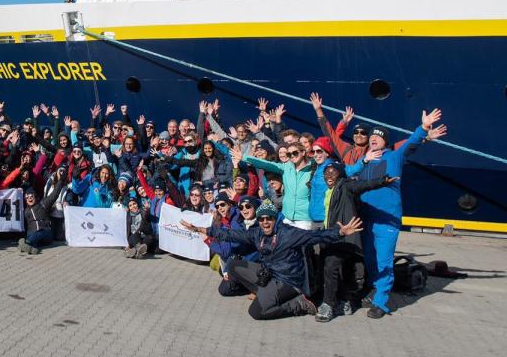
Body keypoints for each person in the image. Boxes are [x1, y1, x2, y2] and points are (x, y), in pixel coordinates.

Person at [181, 202, 364, 320]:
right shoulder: (257, 232)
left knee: (256, 312)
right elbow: (232, 234)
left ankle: (298, 304)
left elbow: (315, 236)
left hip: (288, 281)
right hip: (269, 274)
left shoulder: (288, 234)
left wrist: (340, 232)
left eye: (269, 218)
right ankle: (262, 292)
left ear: (275, 220)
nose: (265, 222)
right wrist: (201, 229)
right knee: (234, 265)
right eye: (262, 219)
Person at [345, 109, 441, 318]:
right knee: (369, 258)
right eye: (371, 137)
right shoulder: (365, 161)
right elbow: (347, 174)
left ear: (385, 142)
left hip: (386, 219)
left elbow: (412, 144)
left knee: (384, 260)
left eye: (377, 137)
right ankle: (372, 289)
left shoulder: (395, 157)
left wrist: (424, 127)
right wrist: (363, 161)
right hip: (366, 218)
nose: (372, 140)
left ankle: (381, 302)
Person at [315, 162, 397, 322]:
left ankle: (328, 305)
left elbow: (362, 185)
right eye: (326, 173)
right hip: (334, 236)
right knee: (345, 270)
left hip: (345, 237)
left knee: (331, 267)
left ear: (340, 175)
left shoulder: (345, 186)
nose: (329, 176)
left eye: (333, 172)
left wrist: (381, 181)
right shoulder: (329, 191)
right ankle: (345, 303)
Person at [18, 176, 66, 255]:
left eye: (31, 196)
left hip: (45, 233)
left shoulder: (43, 204)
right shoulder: (25, 210)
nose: (30, 199)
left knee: (39, 232)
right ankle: (32, 247)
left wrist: (61, 181)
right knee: (33, 234)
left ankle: (27, 243)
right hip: (32, 233)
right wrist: (19, 191)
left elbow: (54, 194)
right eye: (27, 197)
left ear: (35, 196)